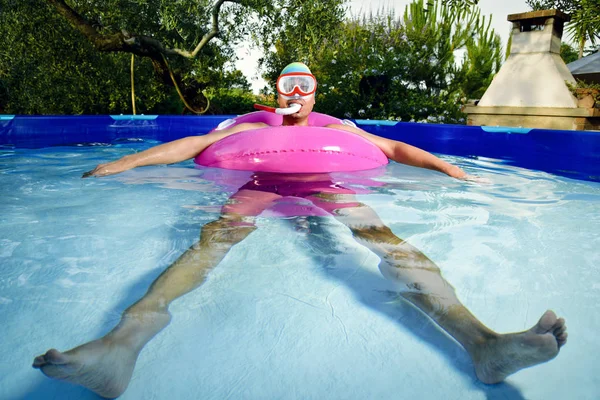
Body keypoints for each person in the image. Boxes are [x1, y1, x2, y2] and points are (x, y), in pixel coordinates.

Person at [33, 62, 567, 399]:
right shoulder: (252, 121)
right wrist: (123, 163)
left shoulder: (338, 127)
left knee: (384, 239)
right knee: (212, 242)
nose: (296, 92)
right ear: (277, 90)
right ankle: (122, 346)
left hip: (325, 180)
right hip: (257, 180)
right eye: (288, 84)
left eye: (305, 84)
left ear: (315, 93)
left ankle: (483, 344)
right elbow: (190, 146)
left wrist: (450, 168)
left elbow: (394, 149)